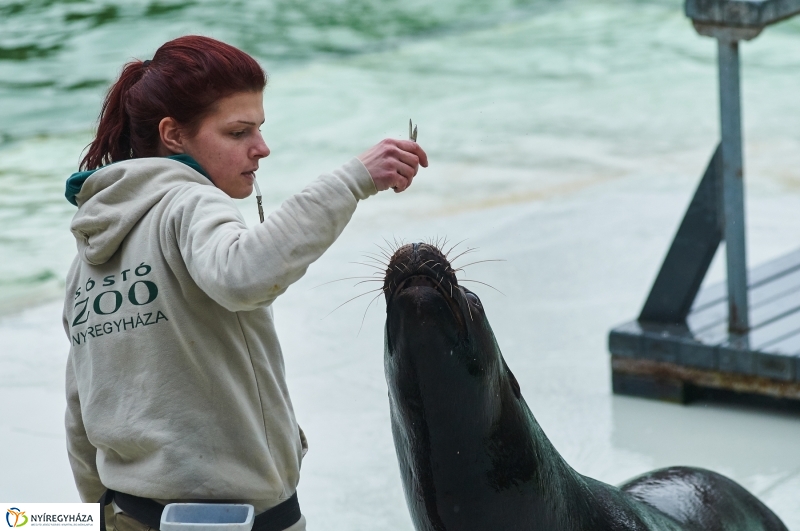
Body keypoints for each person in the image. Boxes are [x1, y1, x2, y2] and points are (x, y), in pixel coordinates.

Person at [62, 35, 427, 531]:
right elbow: (243, 275)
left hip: (124, 515)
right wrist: (354, 179)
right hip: (238, 520)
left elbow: (82, 408)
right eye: (239, 132)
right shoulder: (190, 202)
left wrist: (93, 514)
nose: (262, 148)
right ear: (173, 135)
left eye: (259, 128)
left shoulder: (88, 254)